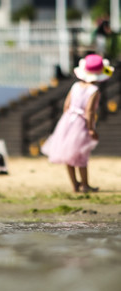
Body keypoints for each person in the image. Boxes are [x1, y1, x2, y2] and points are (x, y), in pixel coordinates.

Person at [41, 54, 114, 193]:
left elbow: (66, 105)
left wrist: (67, 120)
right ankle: (85, 185)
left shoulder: (75, 86)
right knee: (81, 155)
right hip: (81, 123)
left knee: (68, 155)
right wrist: (91, 128)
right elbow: (90, 111)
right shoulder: (94, 91)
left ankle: (75, 185)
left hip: (67, 121)